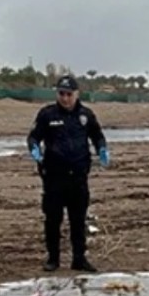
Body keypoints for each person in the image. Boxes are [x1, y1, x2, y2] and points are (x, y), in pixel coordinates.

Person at [26, 75, 108, 273]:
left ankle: (79, 259)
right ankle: (53, 258)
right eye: (61, 94)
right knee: (53, 219)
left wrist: (102, 149)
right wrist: (34, 149)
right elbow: (33, 137)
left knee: (78, 220)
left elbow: (98, 136)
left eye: (69, 94)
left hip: (78, 177)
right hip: (54, 177)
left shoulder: (86, 115)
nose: (65, 98)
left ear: (76, 94)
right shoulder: (47, 114)